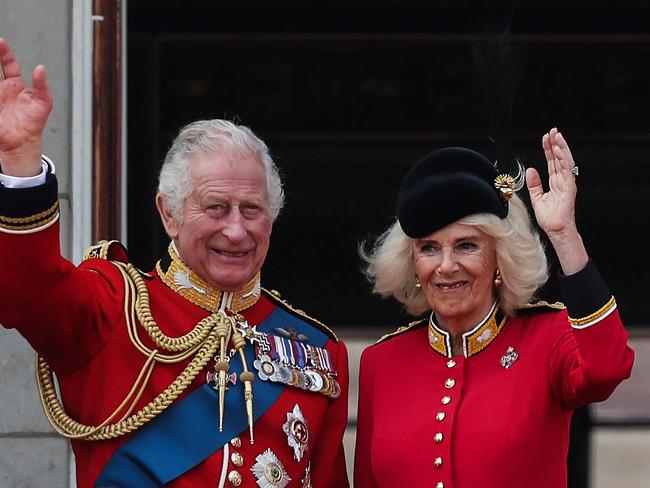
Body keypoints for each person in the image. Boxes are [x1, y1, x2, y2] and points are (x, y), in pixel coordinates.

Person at [0, 38, 349, 488]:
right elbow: (26, 291)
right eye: (216, 207)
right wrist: (20, 163)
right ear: (169, 213)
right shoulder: (112, 307)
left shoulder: (317, 351)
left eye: (252, 209)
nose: (237, 230)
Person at [354, 132, 634, 487]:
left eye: (466, 246)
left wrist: (564, 236)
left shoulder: (547, 338)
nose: (446, 266)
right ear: (412, 263)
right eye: (428, 249)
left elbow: (608, 368)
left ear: (500, 257)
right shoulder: (382, 362)